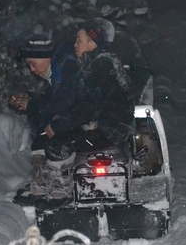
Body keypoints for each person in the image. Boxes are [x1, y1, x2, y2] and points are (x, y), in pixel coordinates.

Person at [41, 18, 134, 152]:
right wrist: (63, 117)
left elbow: (91, 106)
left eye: (79, 40)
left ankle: (56, 172)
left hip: (109, 132)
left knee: (55, 146)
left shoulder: (103, 65)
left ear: (92, 43)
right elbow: (79, 101)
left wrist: (59, 126)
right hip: (103, 129)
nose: (75, 44)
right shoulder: (94, 64)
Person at [8, 33, 79, 141]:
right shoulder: (56, 73)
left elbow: (64, 105)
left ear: (45, 58)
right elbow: (52, 100)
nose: (32, 69)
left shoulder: (64, 71)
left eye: (32, 63)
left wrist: (31, 105)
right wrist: (30, 97)